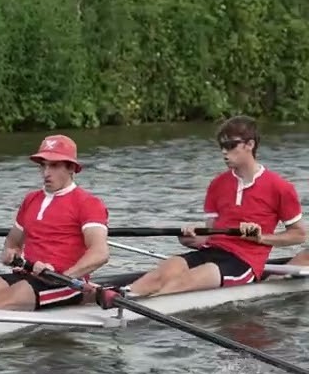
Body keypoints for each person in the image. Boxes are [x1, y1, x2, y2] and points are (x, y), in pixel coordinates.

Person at [124, 116, 303, 296]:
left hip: (243, 262)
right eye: (222, 147)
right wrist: (189, 237)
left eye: (231, 146)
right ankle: (121, 296)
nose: (225, 152)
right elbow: (209, 236)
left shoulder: (280, 187)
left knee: (186, 281)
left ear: (250, 145)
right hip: (211, 251)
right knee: (167, 268)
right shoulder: (218, 184)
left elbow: (299, 235)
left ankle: (138, 308)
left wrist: (260, 238)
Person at [0, 135, 109, 311]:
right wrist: (10, 254)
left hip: (65, 283)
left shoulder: (88, 203)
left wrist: (63, 275)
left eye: (54, 165)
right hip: (27, 274)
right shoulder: (31, 199)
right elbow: (13, 243)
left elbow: (100, 253)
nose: (46, 173)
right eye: (43, 165)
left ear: (71, 167)